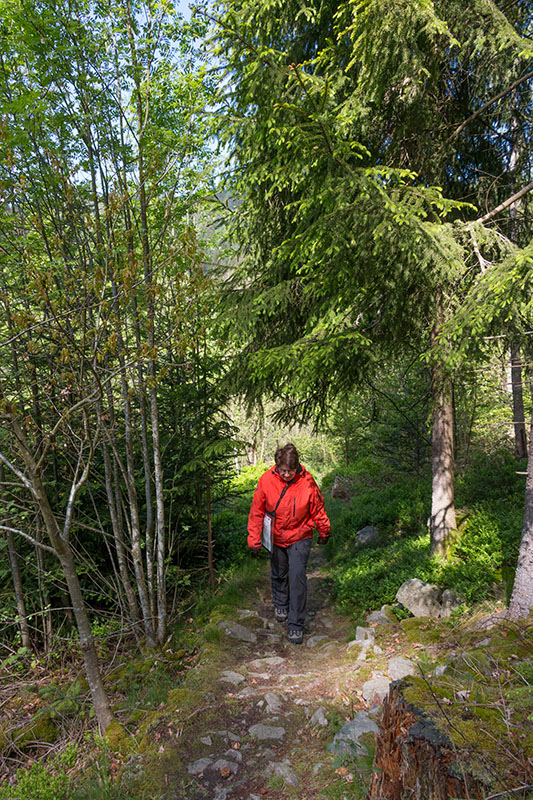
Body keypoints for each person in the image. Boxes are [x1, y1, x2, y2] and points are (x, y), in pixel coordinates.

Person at [247, 443, 331, 644]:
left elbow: (318, 508)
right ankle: (280, 603)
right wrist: (254, 538)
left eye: (290, 471)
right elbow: (257, 511)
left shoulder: (307, 482)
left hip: (300, 535)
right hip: (275, 535)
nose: (286, 475)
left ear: (297, 468)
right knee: (279, 572)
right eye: (283, 471)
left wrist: (324, 530)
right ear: (277, 466)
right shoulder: (266, 480)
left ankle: (296, 624)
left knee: (297, 577)